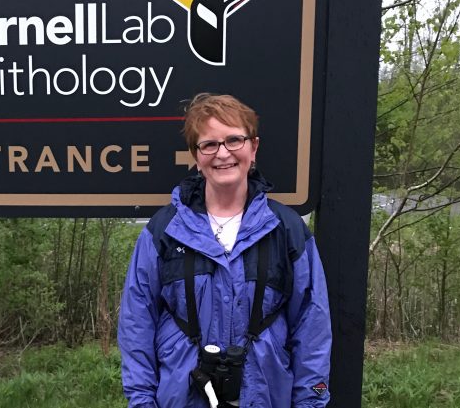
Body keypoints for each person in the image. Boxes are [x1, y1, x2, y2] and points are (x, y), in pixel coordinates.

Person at [118, 93, 331, 408]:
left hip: (265, 397)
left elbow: (312, 324)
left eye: (234, 140)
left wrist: (310, 402)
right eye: (209, 144)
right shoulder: (164, 230)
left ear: (253, 147)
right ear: (196, 154)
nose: (223, 154)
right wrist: (141, 400)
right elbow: (137, 322)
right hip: (181, 397)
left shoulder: (286, 230)